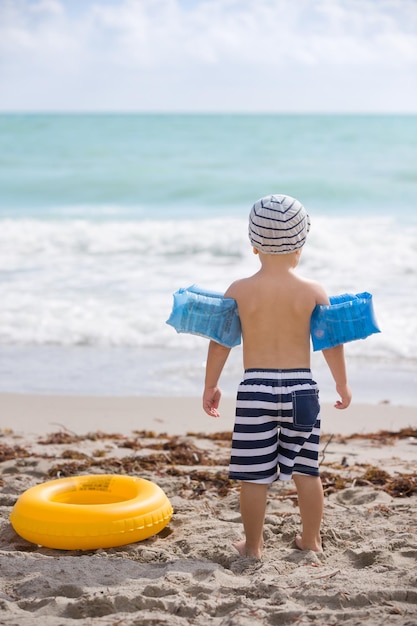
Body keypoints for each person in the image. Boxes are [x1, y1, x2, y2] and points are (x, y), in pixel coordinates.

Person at [202, 194, 352, 558]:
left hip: (256, 389)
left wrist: (211, 385)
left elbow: (221, 343)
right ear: (301, 243)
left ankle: (252, 547)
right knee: (306, 470)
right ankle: (311, 541)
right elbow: (330, 344)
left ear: (254, 245)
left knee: (254, 475)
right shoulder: (313, 292)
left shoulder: (239, 291)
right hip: (303, 389)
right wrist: (342, 384)